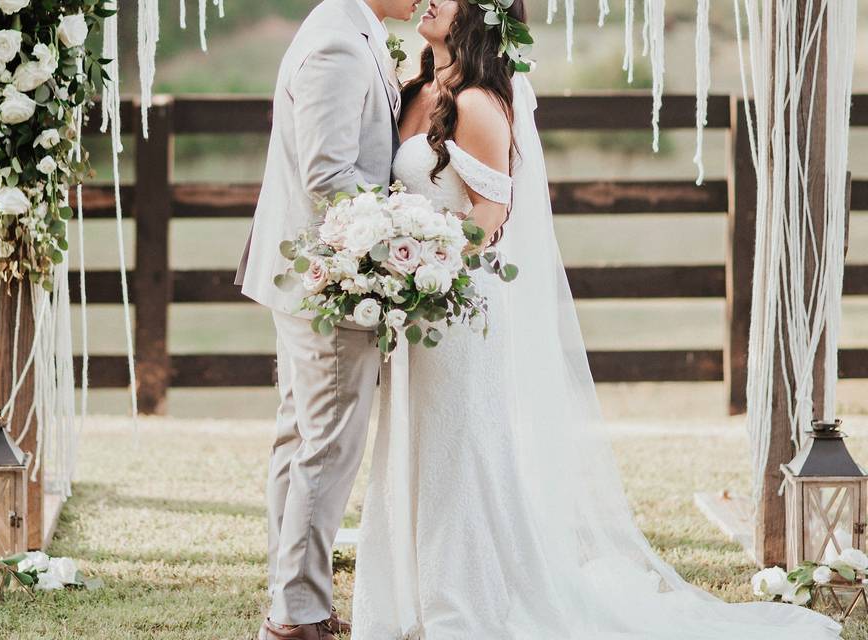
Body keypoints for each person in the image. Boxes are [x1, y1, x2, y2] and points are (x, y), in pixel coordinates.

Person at [350, 1, 843, 638]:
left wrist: (421, 264)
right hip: (414, 314)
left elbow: (488, 222)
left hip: (456, 310)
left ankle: (461, 602)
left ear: (481, 12)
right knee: (409, 447)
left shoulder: (477, 104)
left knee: (458, 452)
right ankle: (408, 595)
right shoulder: (414, 90)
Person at [234, 0, 422, 638]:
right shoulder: (338, 45)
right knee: (328, 447)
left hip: (307, 278)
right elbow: (327, 173)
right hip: (328, 281)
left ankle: (293, 599)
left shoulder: (353, 28)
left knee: (301, 441)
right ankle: (298, 616)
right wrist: (411, 235)